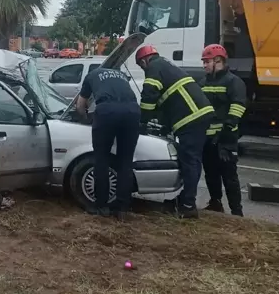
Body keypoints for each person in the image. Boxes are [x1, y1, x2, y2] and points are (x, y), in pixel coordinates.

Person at [135, 45, 214, 219]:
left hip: (192, 118)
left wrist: (142, 120)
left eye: (142, 66)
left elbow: (149, 97)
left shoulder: (154, 67)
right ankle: (186, 198)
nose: (143, 69)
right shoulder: (165, 65)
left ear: (144, 60)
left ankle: (188, 206)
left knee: (190, 161)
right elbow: (166, 100)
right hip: (198, 115)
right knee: (192, 160)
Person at [76, 67, 141, 220]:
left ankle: (101, 207)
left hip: (107, 111)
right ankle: (122, 209)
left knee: (101, 159)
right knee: (125, 161)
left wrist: (86, 119)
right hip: (132, 111)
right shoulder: (121, 75)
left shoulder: (91, 76)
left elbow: (80, 105)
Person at [198, 44, 247, 216]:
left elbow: (238, 107)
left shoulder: (234, 82)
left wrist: (227, 131)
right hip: (208, 139)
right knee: (211, 174)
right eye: (203, 62)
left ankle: (236, 212)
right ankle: (215, 203)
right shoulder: (203, 82)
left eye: (207, 62)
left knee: (229, 177)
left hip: (226, 139)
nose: (204, 65)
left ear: (218, 61)